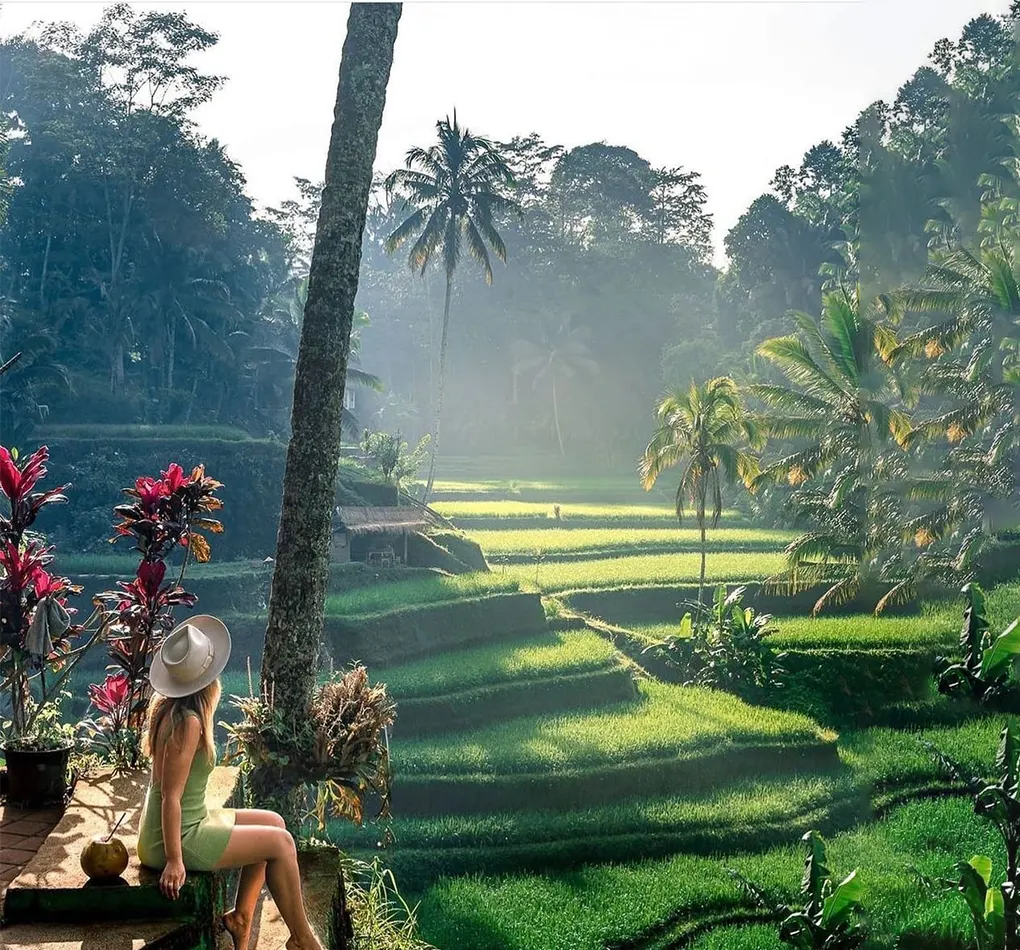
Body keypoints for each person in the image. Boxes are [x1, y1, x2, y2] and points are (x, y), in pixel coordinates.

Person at [137, 615, 324, 950]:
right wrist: (175, 860)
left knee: (274, 822)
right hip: (177, 835)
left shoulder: (170, 708)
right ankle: (302, 939)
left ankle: (240, 917)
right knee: (280, 844)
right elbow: (170, 797)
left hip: (189, 820)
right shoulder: (188, 722)